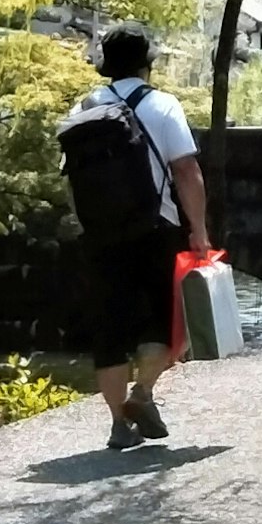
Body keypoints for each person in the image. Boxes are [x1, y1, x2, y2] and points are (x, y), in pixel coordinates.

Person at [61, 25, 213, 450]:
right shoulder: (163, 105)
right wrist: (198, 229)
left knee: (110, 329)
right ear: (148, 62)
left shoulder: (85, 107)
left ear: (107, 66)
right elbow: (186, 171)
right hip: (156, 228)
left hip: (101, 232)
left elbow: (72, 175)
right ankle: (142, 393)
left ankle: (117, 424)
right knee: (165, 322)